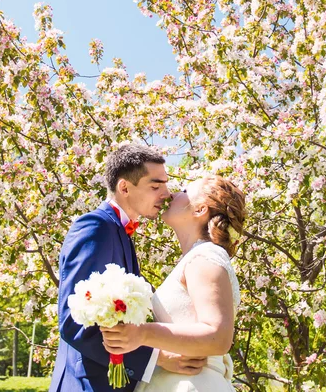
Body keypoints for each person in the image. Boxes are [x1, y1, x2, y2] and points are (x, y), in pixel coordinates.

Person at [48, 143, 208, 392]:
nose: (166, 194)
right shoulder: (95, 228)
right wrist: (159, 357)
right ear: (124, 187)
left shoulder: (119, 232)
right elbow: (74, 321)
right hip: (87, 384)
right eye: (156, 186)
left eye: (166, 184)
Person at [101, 174, 246, 392]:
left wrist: (143, 334)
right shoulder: (196, 257)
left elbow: (218, 336)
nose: (171, 194)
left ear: (199, 210)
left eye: (185, 192)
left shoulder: (205, 256)